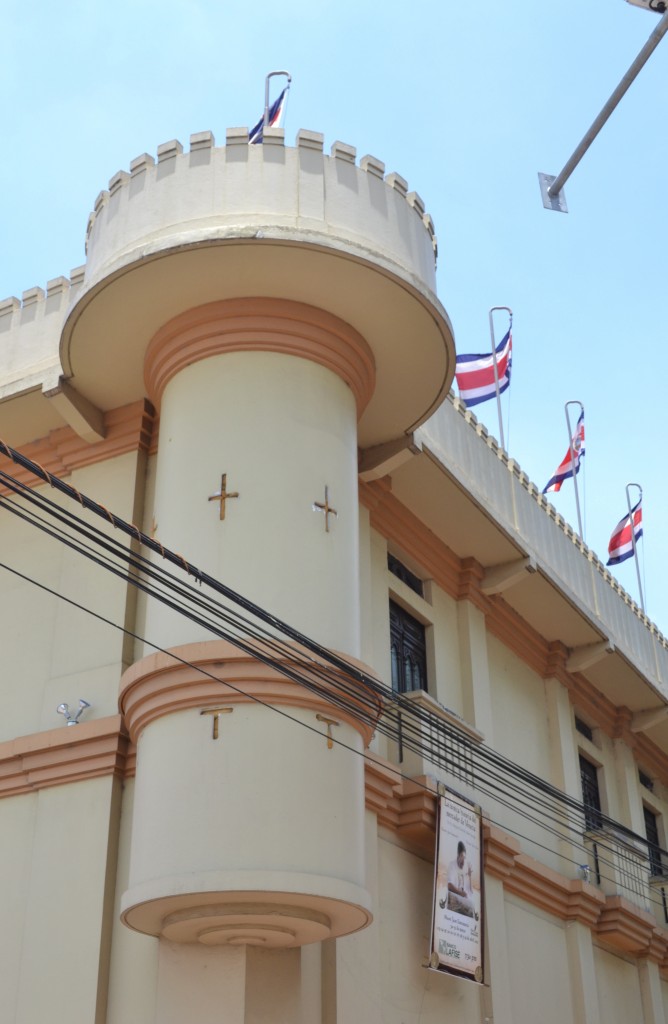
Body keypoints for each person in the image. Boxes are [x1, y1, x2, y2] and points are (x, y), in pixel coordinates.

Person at [440, 840, 478, 919]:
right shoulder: (452, 865)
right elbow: (449, 885)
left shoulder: (465, 869)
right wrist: (460, 893)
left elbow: (470, 892)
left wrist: (469, 877)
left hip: (462, 904)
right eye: (461, 857)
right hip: (453, 902)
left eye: (464, 857)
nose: (463, 861)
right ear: (458, 855)